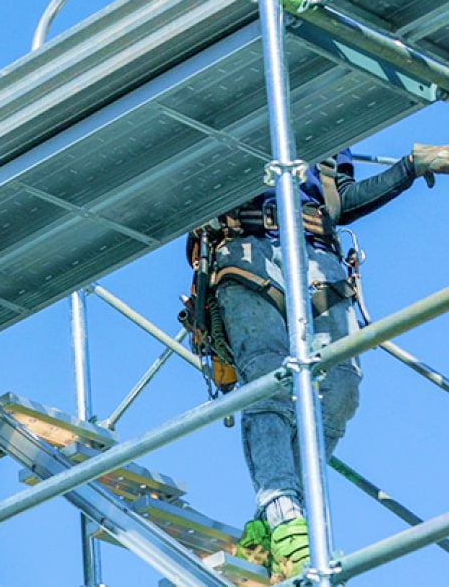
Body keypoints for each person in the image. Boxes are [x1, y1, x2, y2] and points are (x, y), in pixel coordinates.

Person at [185, 143, 449, 578]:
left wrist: (409, 166)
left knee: (342, 387)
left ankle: (275, 521)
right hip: (243, 247)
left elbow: (339, 199)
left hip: (317, 256)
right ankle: (286, 519)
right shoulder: (232, 90)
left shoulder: (325, 121)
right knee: (268, 379)